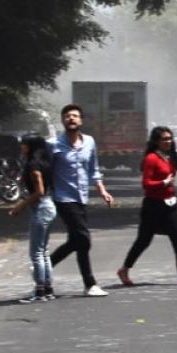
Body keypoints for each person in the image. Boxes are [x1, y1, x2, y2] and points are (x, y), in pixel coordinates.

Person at [116, 127, 177, 287]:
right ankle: (124, 269)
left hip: (170, 203)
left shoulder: (170, 157)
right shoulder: (151, 159)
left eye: (170, 138)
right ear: (156, 142)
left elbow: (174, 171)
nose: (168, 141)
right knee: (144, 240)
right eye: (164, 139)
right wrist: (163, 182)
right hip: (153, 206)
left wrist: (169, 184)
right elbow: (146, 183)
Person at [49, 104, 114, 297]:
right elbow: (45, 171)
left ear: (81, 121)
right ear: (62, 120)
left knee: (75, 241)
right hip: (63, 198)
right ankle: (90, 283)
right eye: (67, 116)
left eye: (75, 116)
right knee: (83, 239)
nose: (71, 119)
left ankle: (44, 266)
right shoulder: (53, 145)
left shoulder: (89, 142)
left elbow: (93, 169)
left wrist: (102, 191)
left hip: (81, 197)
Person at [9, 135, 57, 303]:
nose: (21, 147)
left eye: (24, 144)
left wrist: (20, 206)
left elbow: (39, 191)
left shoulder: (33, 165)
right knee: (43, 251)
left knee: (36, 253)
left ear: (30, 147)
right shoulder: (44, 163)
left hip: (42, 207)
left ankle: (40, 291)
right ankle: (48, 289)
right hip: (48, 206)